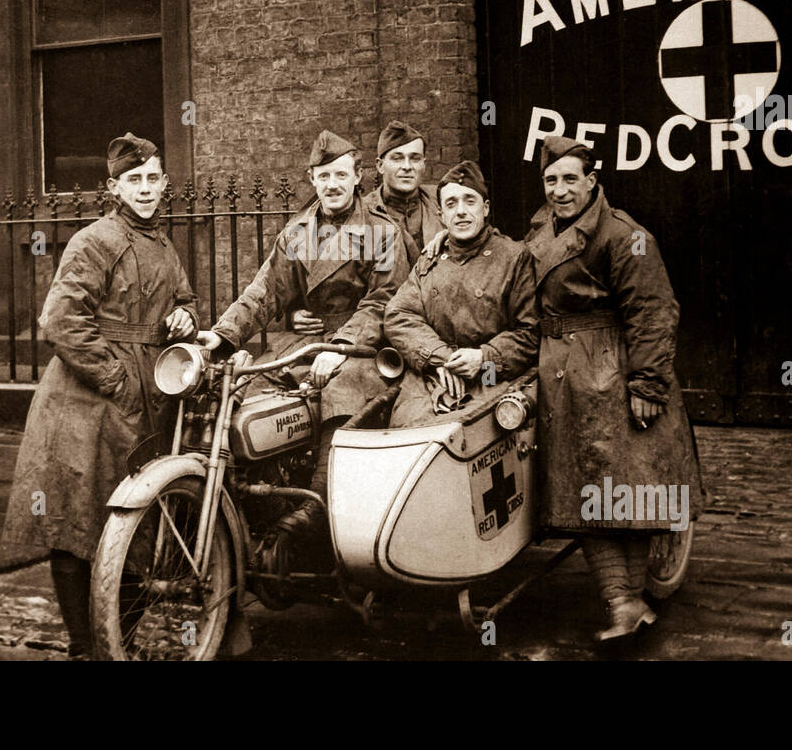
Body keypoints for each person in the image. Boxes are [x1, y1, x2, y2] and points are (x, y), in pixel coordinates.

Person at [2, 134, 198, 659]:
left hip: (143, 398)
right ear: (113, 187)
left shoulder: (162, 242)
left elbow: (183, 297)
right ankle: (83, 646)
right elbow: (61, 322)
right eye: (134, 180)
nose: (146, 189)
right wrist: (116, 378)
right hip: (84, 403)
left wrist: (187, 316)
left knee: (130, 530)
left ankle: (118, 641)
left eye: (153, 178)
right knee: (75, 526)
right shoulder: (93, 240)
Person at [197, 129, 408, 564]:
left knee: (340, 396)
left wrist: (343, 345)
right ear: (312, 179)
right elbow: (265, 292)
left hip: (363, 348)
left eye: (340, 175)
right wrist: (222, 334)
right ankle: (259, 511)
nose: (331, 185)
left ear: (357, 177)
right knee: (248, 396)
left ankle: (313, 512)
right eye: (323, 176)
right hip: (305, 342)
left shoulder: (381, 232)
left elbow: (383, 302)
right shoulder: (298, 231)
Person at [525, 135, 704, 642]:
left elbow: (653, 312)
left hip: (610, 370)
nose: (560, 191)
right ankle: (625, 603)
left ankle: (625, 602)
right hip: (563, 375)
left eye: (570, 180)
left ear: (592, 181)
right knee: (587, 489)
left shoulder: (624, 235)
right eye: (551, 180)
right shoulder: (541, 227)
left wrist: (647, 383)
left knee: (611, 488)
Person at [384, 160, 539, 426]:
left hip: (491, 378)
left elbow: (530, 333)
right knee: (404, 443)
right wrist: (440, 358)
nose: (461, 212)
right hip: (431, 378)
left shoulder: (514, 258)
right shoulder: (430, 259)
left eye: (470, 201)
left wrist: (483, 357)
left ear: (486, 208)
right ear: (441, 215)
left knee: (467, 440)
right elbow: (398, 315)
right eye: (451, 204)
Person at [361, 120, 440, 265]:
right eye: (397, 158)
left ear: (424, 165)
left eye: (415, 159)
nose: (407, 166)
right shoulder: (362, 213)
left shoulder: (442, 202)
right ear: (380, 166)